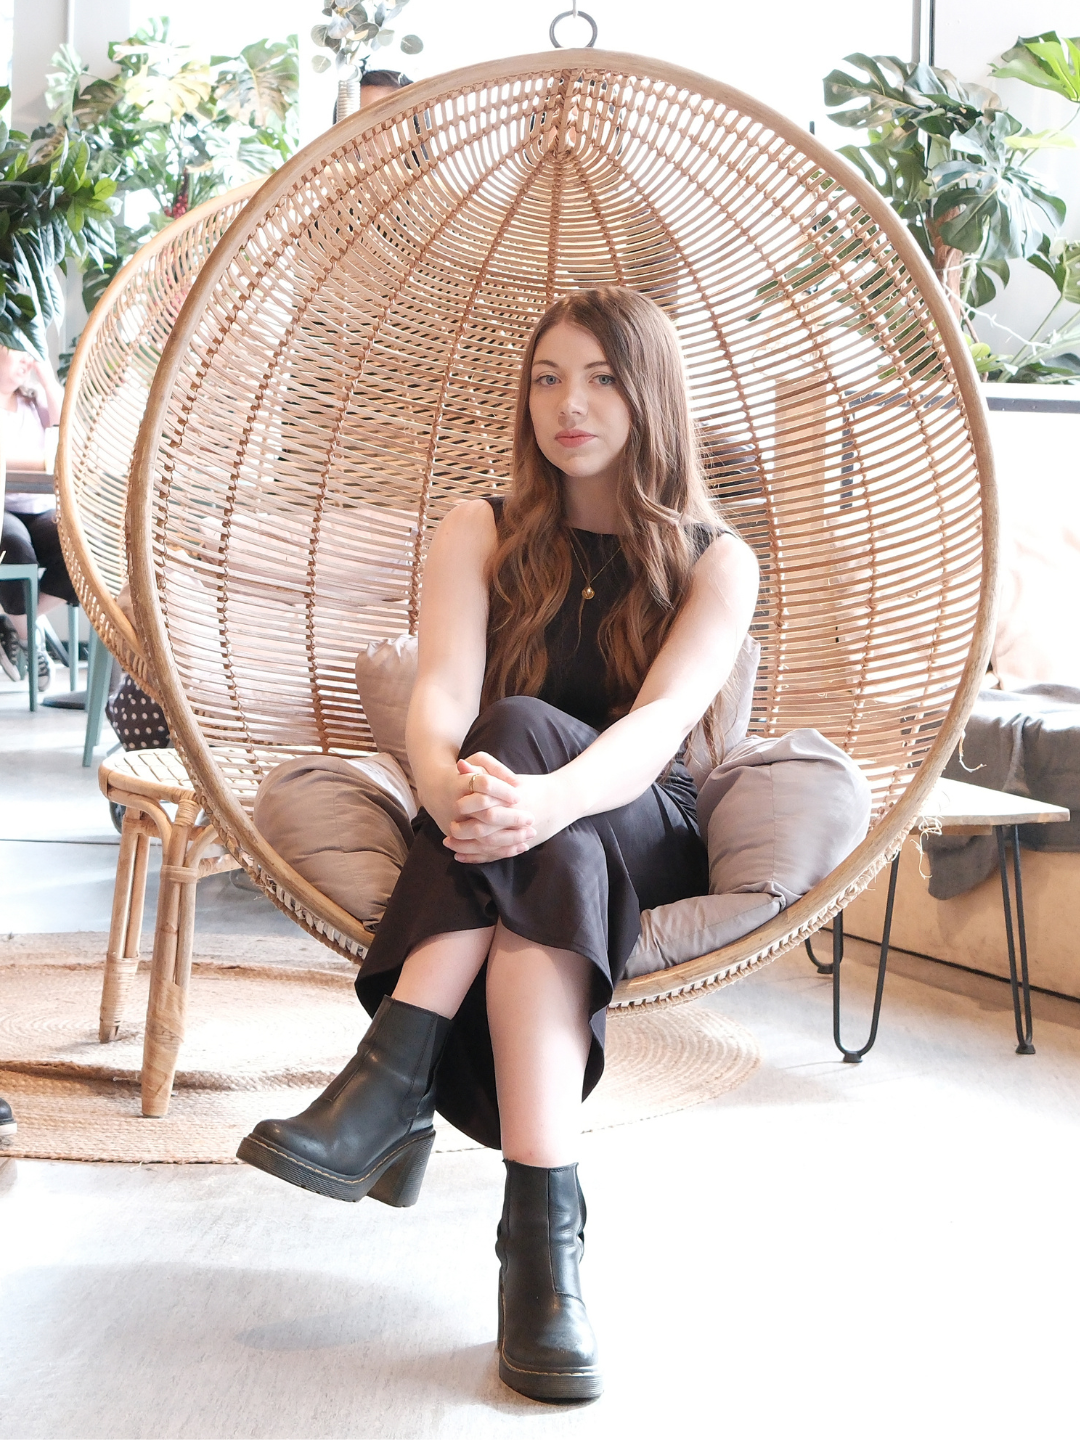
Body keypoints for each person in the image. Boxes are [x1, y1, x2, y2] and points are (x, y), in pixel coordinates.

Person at [238, 288, 759, 1402]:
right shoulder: (479, 527)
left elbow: (661, 728)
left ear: (651, 393)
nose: (569, 404)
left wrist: (543, 800)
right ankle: (543, 1258)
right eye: (547, 378)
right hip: (509, 841)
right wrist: (456, 795)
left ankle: (391, 1083)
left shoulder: (718, 560)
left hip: (637, 826)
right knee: (497, 752)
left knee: (520, 742)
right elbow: (440, 704)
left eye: (603, 378)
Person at [0, 346, 70, 691]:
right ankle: (31, 639)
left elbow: (66, 430)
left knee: (79, 548)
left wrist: (45, 372)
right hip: (3, 510)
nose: (27, 360)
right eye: (19, 352)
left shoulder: (34, 401)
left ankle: (16, 626)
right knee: (15, 550)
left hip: (41, 506)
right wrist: (44, 458)